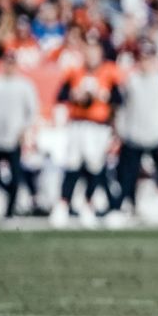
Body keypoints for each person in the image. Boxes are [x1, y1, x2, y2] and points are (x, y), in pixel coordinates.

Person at [52, 41, 121, 226]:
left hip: (98, 126)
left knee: (95, 166)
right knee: (73, 164)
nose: (91, 57)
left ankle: (88, 205)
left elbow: (118, 100)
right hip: (78, 124)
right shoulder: (76, 72)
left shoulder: (108, 73)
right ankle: (63, 204)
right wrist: (75, 95)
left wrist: (101, 97)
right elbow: (61, 95)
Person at [115, 43, 158, 218]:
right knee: (128, 175)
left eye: (149, 58)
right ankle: (123, 207)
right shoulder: (131, 81)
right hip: (134, 134)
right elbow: (123, 108)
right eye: (143, 59)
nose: (146, 63)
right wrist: (122, 131)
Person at [0, 51, 39, 220]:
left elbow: (32, 111)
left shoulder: (24, 85)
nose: (9, 66)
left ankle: (9, 210)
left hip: (14, 137)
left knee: (15, 176)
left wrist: (23, 130)